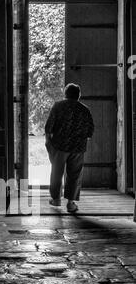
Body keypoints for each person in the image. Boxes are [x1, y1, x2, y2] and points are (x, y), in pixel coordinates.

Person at [45, 83, 94, 213]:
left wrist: (48, 142)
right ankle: (71, 204)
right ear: (79, 95)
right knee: (74, 175)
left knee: (56, 172)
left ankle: (56, 199)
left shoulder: (58, 106)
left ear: (65, 94)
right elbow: (90, 131)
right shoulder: (85, 109)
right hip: (78, 148)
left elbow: (49, 127)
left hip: (59, 146)